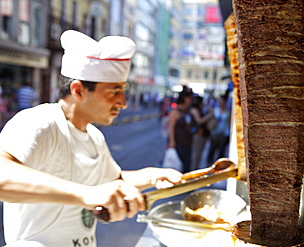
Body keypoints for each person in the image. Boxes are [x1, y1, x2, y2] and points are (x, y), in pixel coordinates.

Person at [0, 30, 182, 247]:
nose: (123, 102)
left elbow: (111, 181)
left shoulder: (94, 136)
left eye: (123, 91)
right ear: (78, 90)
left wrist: (152, 176)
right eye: (114, 91)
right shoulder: (40, 121)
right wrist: (86, 194)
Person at [167, 86, 194, 173]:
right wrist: (172, 142)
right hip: (178, 143)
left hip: (187, 143)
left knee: (186, 167)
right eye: (190, 98)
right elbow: (171, 127)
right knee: (177, 168)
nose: (191, 101)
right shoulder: (175, 112)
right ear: (185, 99)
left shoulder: (187, 111)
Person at [189, 95, 213, 171]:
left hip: (202, 134)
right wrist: (208, 117)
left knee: (198, 154)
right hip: (198, 134)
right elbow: (199, 120)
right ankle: (193, 170)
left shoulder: (200, 109)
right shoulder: (194, 110)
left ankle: (194, 169)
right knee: (196, 154)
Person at [207, 94, 231, 165]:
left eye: (222, 101)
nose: (220, 103)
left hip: (223, 135)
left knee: (221, 152)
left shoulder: (228, 113)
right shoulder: (215, 110)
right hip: (214, 134)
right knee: (212, 150)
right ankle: (209, 164)